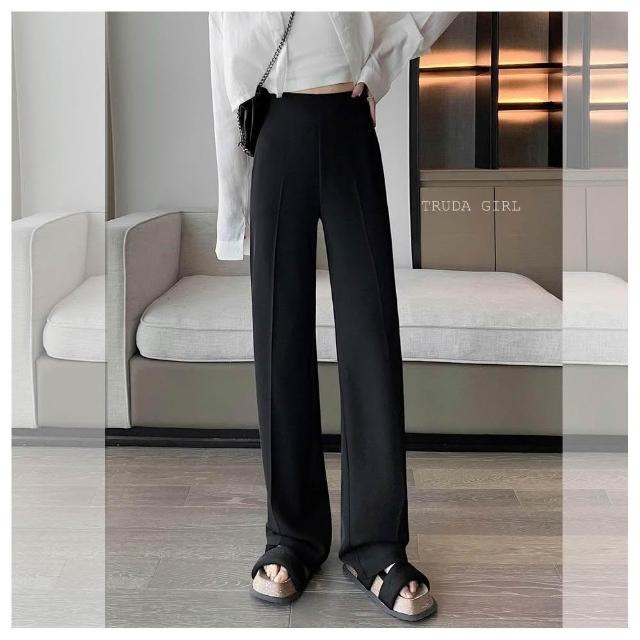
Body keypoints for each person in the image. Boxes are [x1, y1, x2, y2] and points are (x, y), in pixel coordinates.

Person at [208, 11, 456, 622]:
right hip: (275, 130)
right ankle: (291, 538)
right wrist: (233, 209)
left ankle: (377, 546)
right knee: (279, 340)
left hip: (348, 124)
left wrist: (381, 67)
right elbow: (225, 81)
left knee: (371, 335)